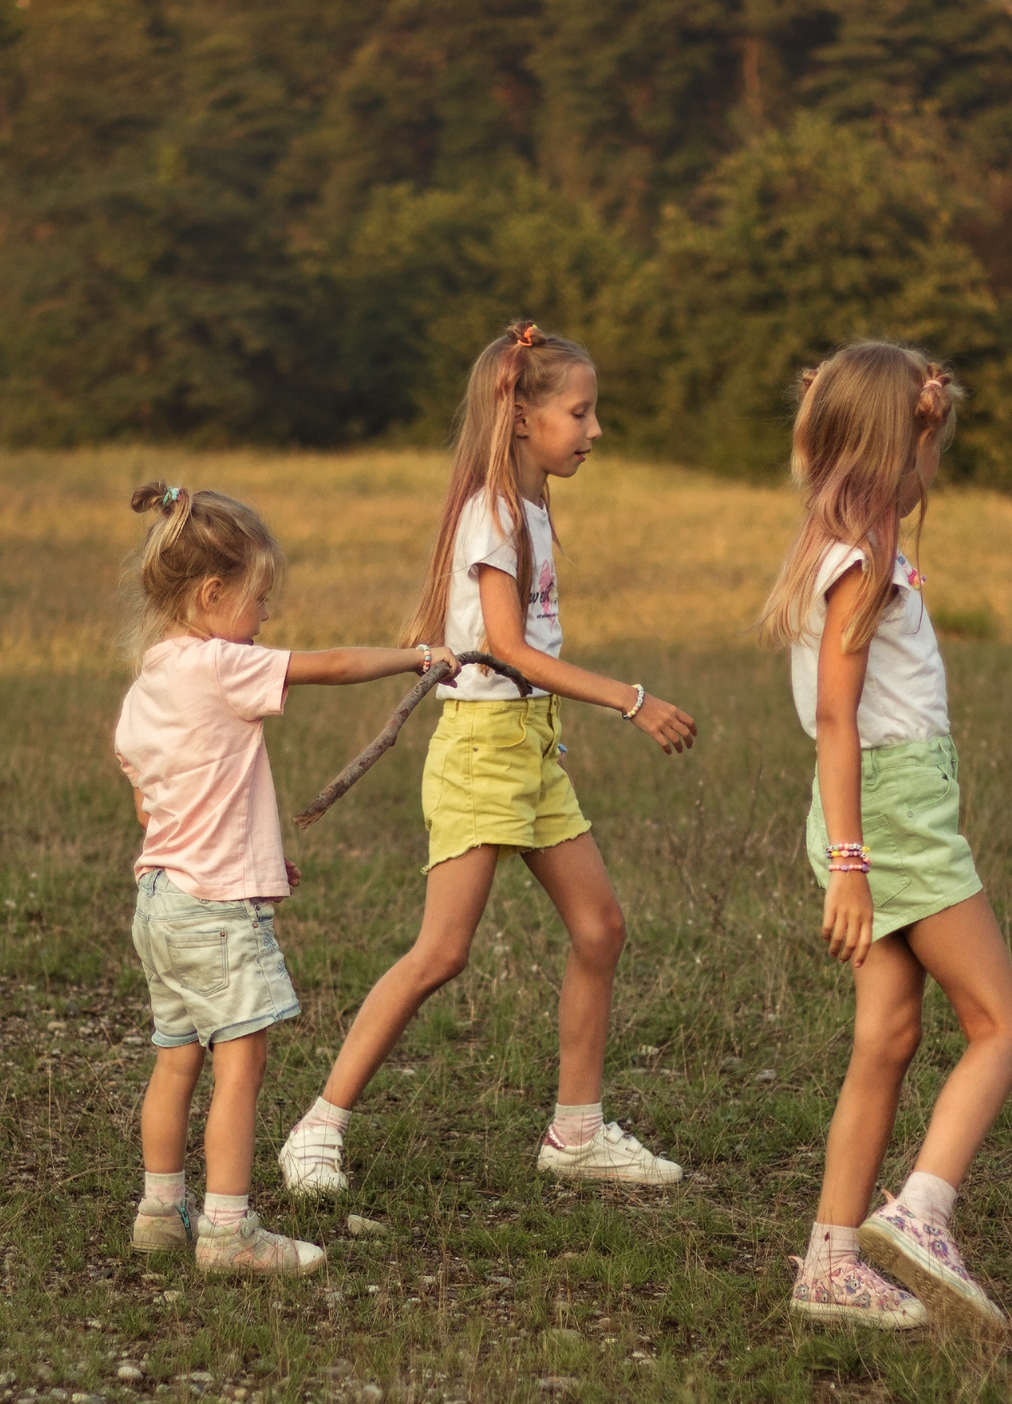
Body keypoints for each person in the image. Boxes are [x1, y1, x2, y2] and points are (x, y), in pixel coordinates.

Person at [278, 320, 699, 1197]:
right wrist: (630, 698)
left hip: (532, 745)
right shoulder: (494, 512)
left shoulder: (531, 505)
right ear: (520, 415)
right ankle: (317, 1127)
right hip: (483, 749)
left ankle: (576, 1134)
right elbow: (508, 647)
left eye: (594, 413)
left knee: (600, 928)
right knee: (441, 952)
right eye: (580, 413)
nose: (593, 430)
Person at [759, 342, 1012, 1332]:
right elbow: (837, 718)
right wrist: (850, 864)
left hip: (873, 809)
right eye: (907, 434)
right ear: (871, 444)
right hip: (890, 814)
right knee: (1000, 1026)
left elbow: (904, 480)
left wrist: (919, 420)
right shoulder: (861, 565)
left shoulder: (841, 528)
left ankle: (830, 1263)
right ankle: (922, 1213)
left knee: (887, 1035)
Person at [113, 481, 456, 1275]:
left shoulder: (146, 686)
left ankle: (160, 1210)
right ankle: (229, 1232)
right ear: (210, 594)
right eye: (259, 599)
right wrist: (416, 655)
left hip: (161, 900)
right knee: (241, 1064)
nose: (264, 618)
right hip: (216, 908)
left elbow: (155, 800)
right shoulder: (219, 664)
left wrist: (257, 849)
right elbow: (328, 664)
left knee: (175, 1058)